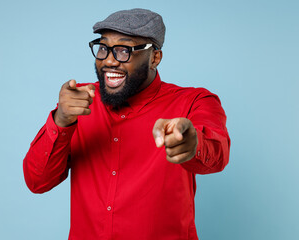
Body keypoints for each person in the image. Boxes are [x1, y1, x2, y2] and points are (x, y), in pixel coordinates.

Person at [23, 8, 230, 240]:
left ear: (155, 58)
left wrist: (192, 144)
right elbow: (37, 181)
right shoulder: (79, 102)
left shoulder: (193, 102)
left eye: (124, 50)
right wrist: (61, 121)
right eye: (103, 48)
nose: (110, 60)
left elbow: (217, 153)